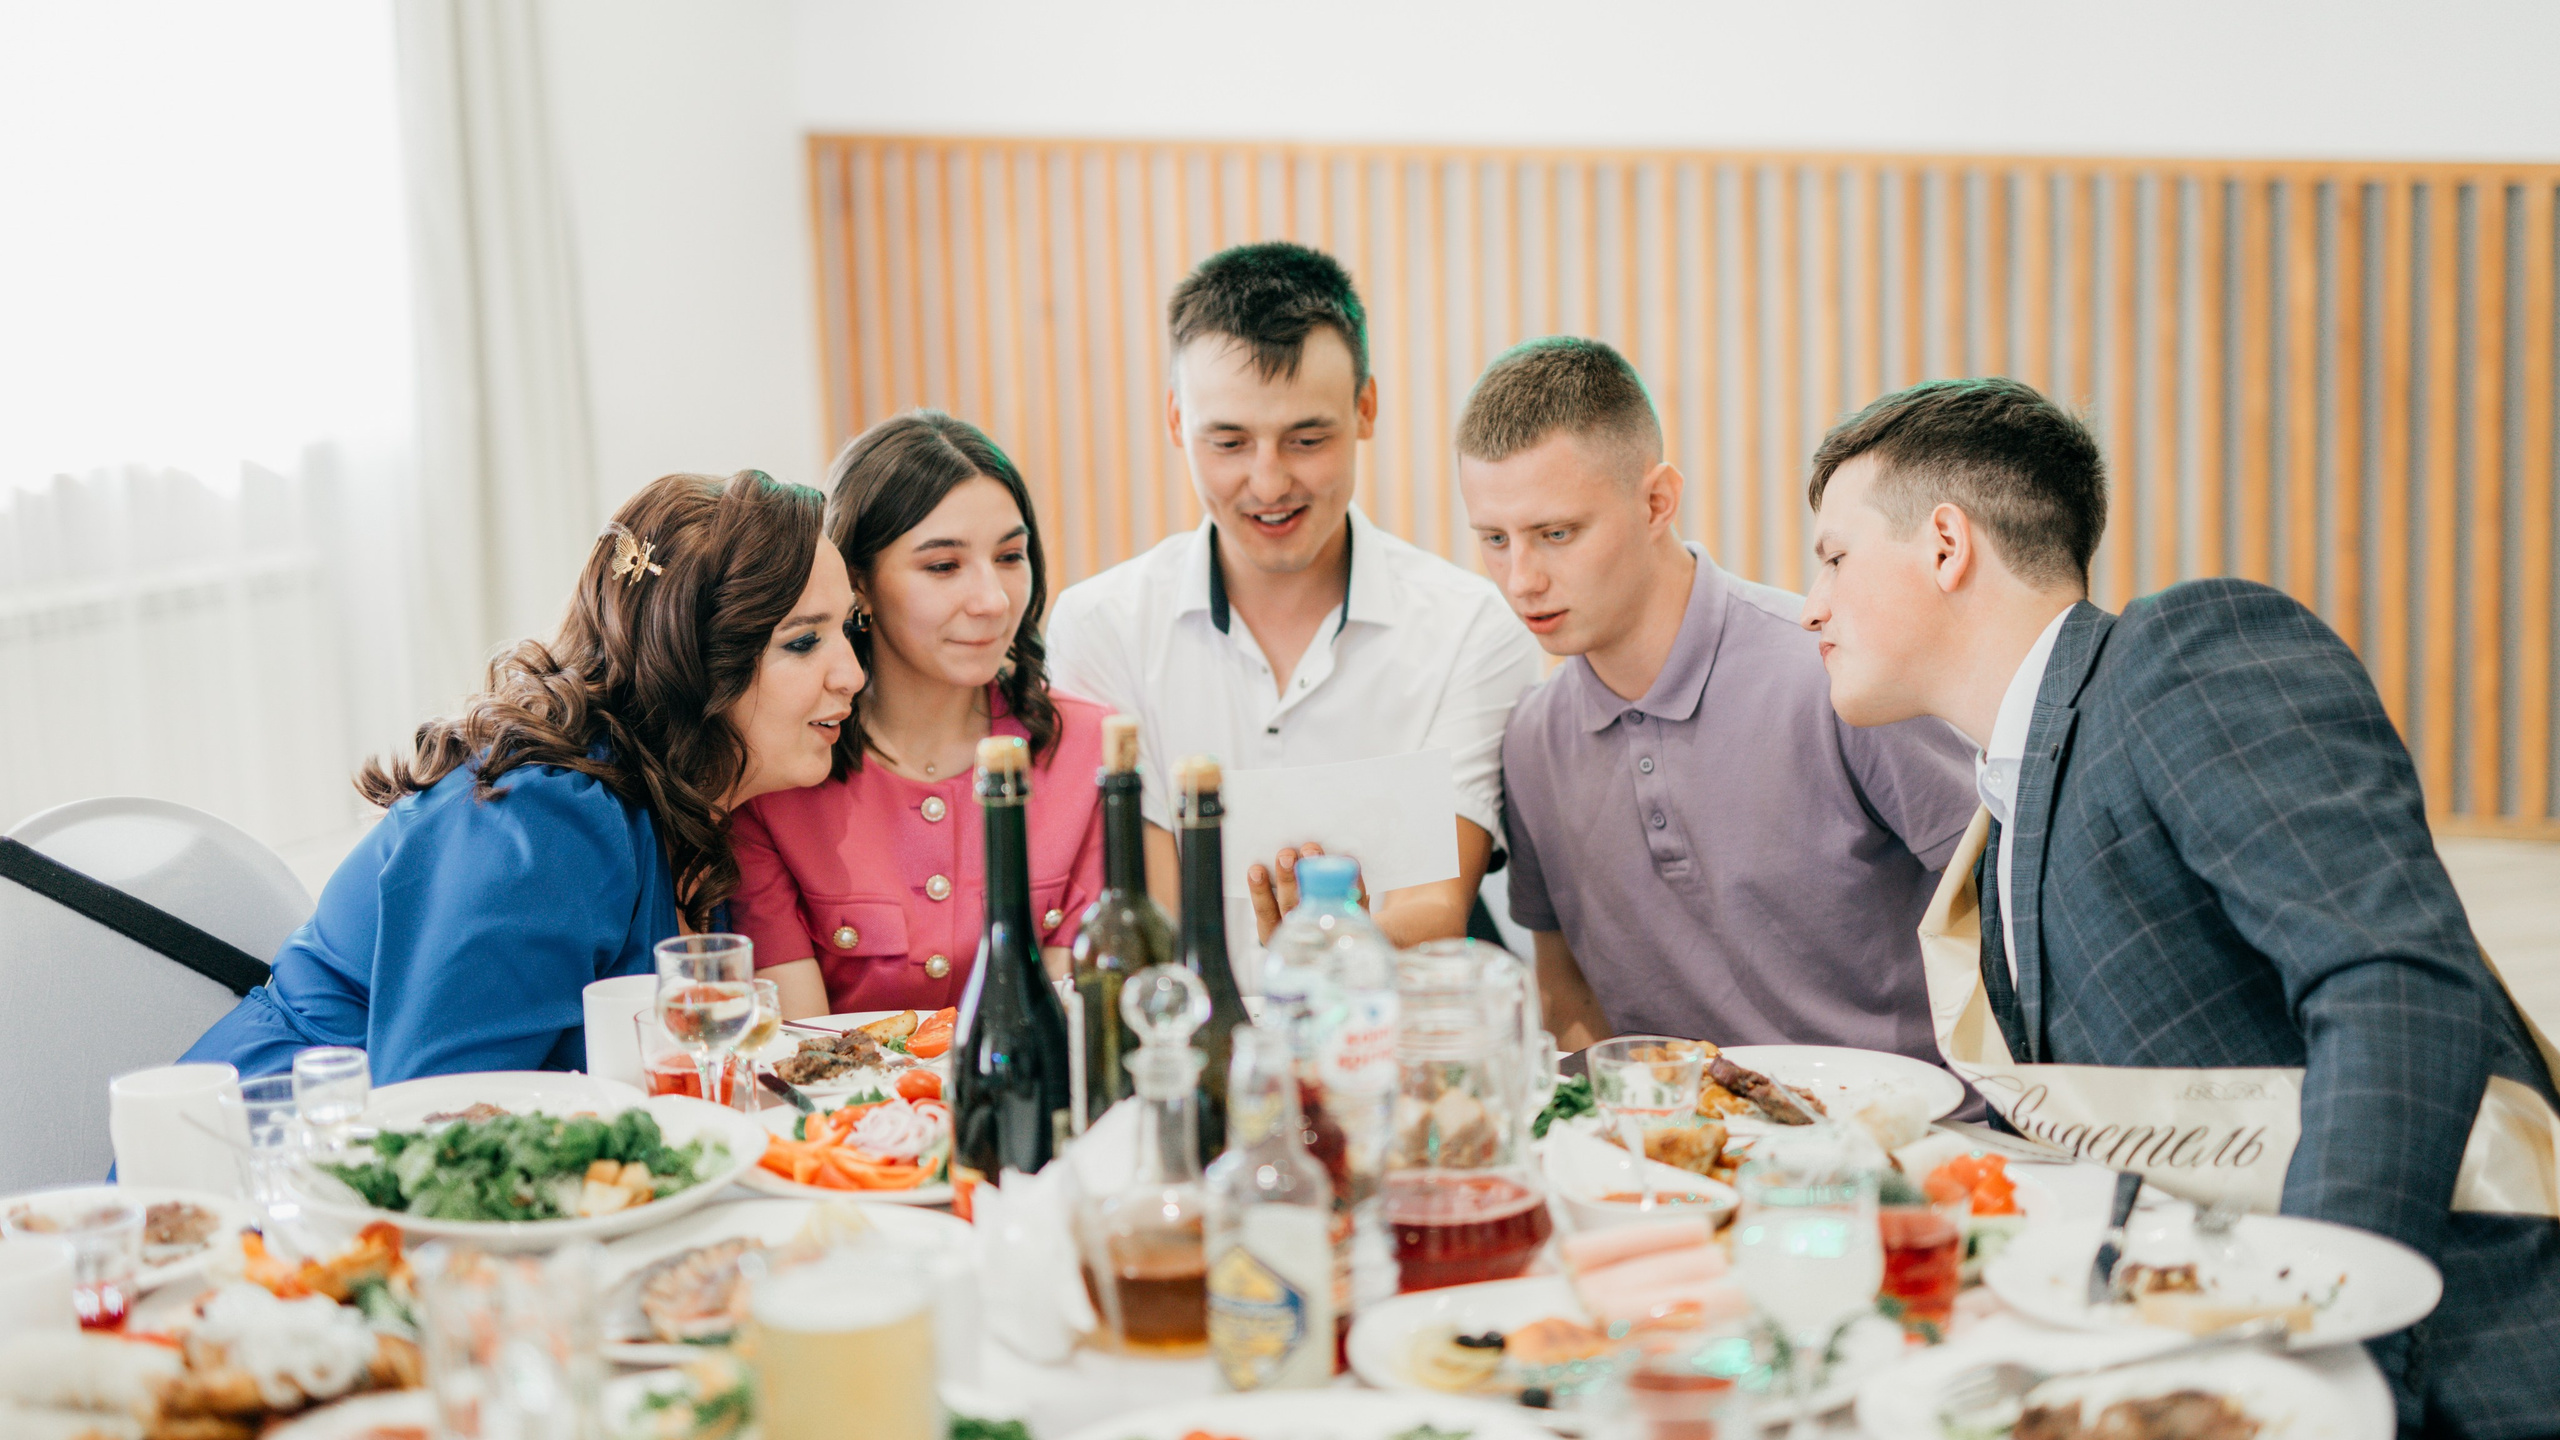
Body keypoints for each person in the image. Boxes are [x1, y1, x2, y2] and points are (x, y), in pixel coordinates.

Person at [1801, 376, 2560, 1437]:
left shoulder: (2181, 657)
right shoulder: (2006, 820)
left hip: (2445, 1366)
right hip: (2207, 1355)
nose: (1811, 603)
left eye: (1833, 556)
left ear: (1942, 544)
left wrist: (2325, 1360)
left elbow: (2392, 985)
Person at [181, 470, 862, 1082]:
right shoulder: (545, 821)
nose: (853, 675)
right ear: (690, 660)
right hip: (277, 1162)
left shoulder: (697, 803)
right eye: (802, 641)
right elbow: (439, 1115)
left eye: (849, 631)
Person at [1457, 337, 1976, 1055]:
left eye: (1556, 533)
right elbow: (1563, 992)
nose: (1521, 580)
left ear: (1657, 502)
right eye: (1493, 539)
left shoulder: (1831, 669)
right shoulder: (1531, 741)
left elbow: (2011, 911)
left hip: (1917, 1139)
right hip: (1677, 1151)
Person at [1045, 241, 1543, 959]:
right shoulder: (1103, 627)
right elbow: (1150, 912)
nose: (1270, 481)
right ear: (1178, 422)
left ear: (1365, 408)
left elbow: (1437, 903)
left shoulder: (1470, 629)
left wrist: (1320, 950)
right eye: (1229, 442)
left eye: (1307, 438)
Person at [728, 412, 1107, 1017]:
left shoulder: (1089, 750)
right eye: (943, 566)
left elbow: (1073, 1023)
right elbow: (801, 1050)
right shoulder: (780, 773)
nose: (992, 600)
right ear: (860, 585)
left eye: (1011, 556)